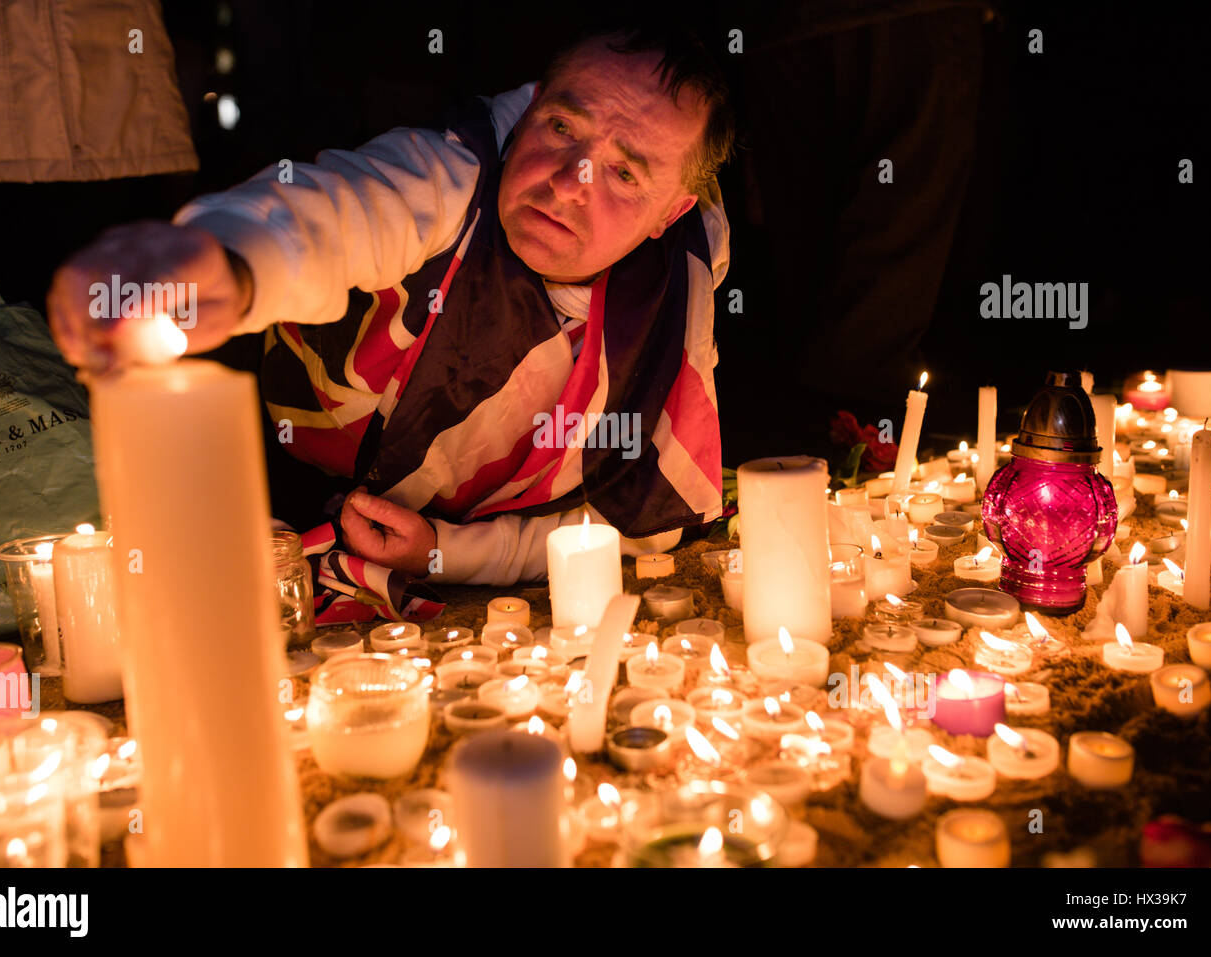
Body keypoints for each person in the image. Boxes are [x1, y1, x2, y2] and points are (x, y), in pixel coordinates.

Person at [47, 23, 734, 586]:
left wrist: (446, 550)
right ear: (528, 108)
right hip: (280, 499)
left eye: (622, 172)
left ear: (669, 214)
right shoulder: (450, 175)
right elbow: (343, 209)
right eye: (561, 128)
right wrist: (228, 264)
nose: (569, 183)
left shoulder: (680, 294)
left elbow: (641, 529)